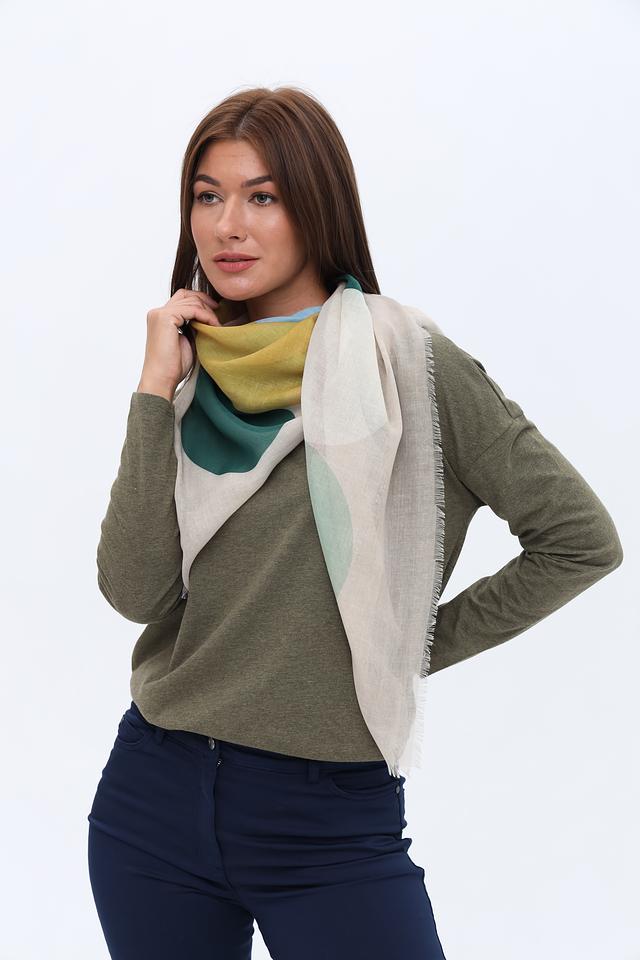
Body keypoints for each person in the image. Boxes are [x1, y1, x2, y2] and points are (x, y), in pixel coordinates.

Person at [86, 86, 623, 960]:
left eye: (263, 197)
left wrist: (405, 644)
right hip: (153, 799)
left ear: (318, 206)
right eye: (207, 196)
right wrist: (153, 390)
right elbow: (133, 591)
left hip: (327, 819)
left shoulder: (408, 362)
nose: (227, 225)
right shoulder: (195, 370)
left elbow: (579, 540)